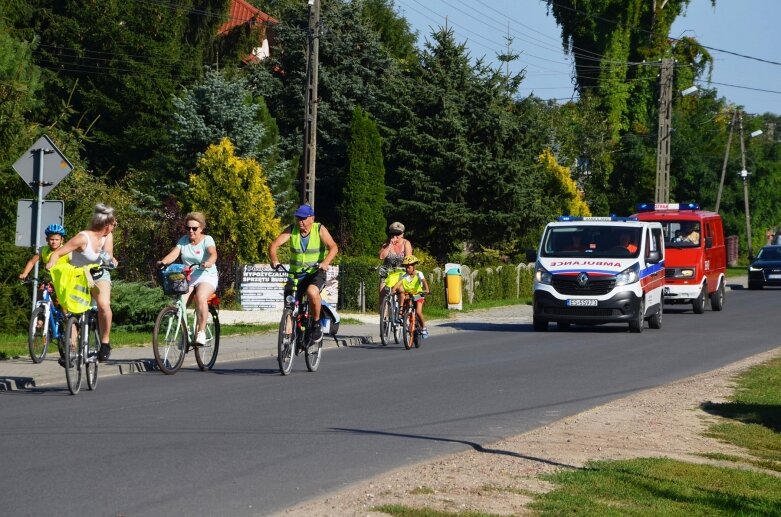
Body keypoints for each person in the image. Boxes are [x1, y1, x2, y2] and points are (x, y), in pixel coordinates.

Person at [46, 203, 118, 362]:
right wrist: (51, 263)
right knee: (72, 313)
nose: (115, 226)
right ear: (106, 225)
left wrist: (111, 259)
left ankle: (105, 343)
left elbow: (108, 254)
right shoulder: (82, 238)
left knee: (104, 305)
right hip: (78, 275)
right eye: (114, 224)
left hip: (98, 274)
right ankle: (70, 351)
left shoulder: (108, 236)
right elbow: (58, 252)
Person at [269, 204, 339, 343]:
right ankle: (286, 343)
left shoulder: (319, 229)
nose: (300, 221)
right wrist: (274, 259)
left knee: (312, 293)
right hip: (295, 275)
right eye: (298, 218)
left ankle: (316, 324)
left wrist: (325, 263)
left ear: (312, 218)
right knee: (289, 304)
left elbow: (334, 247)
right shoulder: (292, 229)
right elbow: (274, 245)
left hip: (315, 272)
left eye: (303, 218)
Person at [157, 212, 219, 347]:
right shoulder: (183, 241)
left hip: (206, 275)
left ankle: (201, 332)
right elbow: (174, 254)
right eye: (188, 228)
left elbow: (213, 254)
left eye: (194, 228)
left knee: (201, 297)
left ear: (201, 228)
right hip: (190, 277)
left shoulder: (207, 240)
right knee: (179, 304)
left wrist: (208, 262)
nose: (191, 231)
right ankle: (184, 334)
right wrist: (163, 262)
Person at [378, 221, 412, 318]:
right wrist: (390, 245)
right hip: (387, 272)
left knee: (402, 291)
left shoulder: (406, 243)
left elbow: (408, 260)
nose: (395, 236)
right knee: (382, 292)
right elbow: (381, 256)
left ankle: (401, 313)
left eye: (398, 234)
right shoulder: (386, 243)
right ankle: (383, 318)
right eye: (393, 234)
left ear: (403, 234)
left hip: (401, 273)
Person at [393, 255, 430, 338]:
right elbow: (398, 284)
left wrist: (427, 289)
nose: (407, 269)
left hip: (418, 295)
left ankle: (424, 327)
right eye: (406, 267)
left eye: (409, 267)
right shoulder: (405, 276)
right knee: (404, 300)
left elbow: (424, 281)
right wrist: (393, 290)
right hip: (409, 295)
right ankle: (403, 317)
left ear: (414, 266)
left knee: (418, 312)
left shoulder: (419, 274)